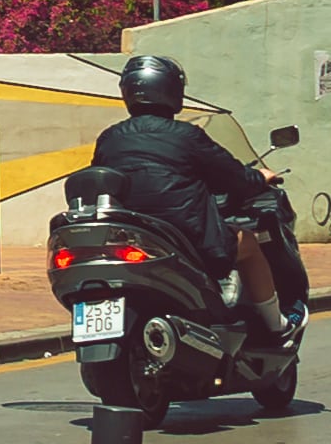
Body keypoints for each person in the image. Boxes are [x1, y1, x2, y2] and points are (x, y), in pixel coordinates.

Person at [87, 53, 306, 339]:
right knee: (249, 244)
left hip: (132, 237)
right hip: (188, 238)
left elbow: (100, 179)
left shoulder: (110, 138)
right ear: (172, 91)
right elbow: (234, 177)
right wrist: (259, 177)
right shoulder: (187, 136)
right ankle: (277, 325)